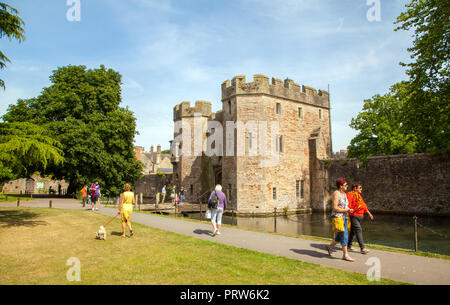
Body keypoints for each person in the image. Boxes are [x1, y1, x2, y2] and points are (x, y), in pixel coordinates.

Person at [326, 177, 355, 262]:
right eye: (345, 185)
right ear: (341, 186)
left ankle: (329, 247)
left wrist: (349, 209)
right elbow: (335, 208)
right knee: (344, 235)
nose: (347, 186)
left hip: (345, 217)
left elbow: (344, 206)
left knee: (339, 236)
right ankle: (345, 255)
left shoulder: (345, 194)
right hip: (338, 217)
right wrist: (347, 210)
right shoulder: (336, 193)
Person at [347, 182, 374, 254]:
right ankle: (362, 248)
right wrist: (349, 211)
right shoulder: (350, 194)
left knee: (353, 232)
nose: (361, 189)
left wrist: (369, 213)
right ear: (355, 188)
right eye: (360, 188)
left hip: (360, 216)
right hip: (354, 215)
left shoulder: (359, 195)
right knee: (359, 230)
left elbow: (363, 205)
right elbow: (348, 204)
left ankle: (348, 246)